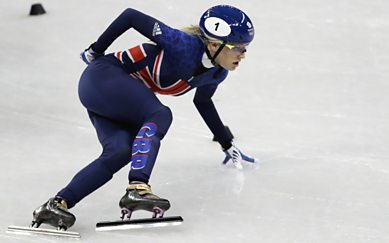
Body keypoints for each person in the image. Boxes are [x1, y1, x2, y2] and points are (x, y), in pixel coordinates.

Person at [32, 5, 257, 230]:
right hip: (102, 77)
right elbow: (131, 16)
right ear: (215, 45)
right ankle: (138, 187)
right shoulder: (182, 45)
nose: (243, 55)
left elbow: (203, 102)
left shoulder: (218, 73)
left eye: (246, 48)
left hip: (114, 100)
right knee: (160, 114)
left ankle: (56, 204)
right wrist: (95, 51)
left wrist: (226, 143)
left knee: (120, 152)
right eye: (238, 48)